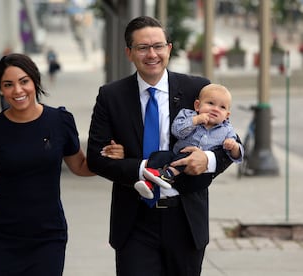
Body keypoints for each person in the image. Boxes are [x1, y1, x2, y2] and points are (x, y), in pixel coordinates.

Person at [0, 53, 124, 275]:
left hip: (48, 235)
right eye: (8, 85)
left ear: (35, 81)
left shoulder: (59, 121)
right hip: (2, 236)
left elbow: (79, 166)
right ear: (0, 89)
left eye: (24, 81)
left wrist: (108, 160)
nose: (18, 91)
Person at [87, 16, 238, 275]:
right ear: (129, 53)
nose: (152, 54)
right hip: (135, 220)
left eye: (158, 46)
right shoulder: (111, 96)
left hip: (185, 218)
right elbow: (95, 157)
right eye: (143, 47)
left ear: (169, 48)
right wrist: (142, 167)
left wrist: (208, 161)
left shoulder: (197, 89)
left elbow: (231, 141)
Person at [135, 83, 244, 199]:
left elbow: (236, 155)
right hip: (175, 155)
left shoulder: (227, 130)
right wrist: (195, 120)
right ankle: (150, 184)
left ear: (227, 115)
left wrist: (234, 147)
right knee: (158, 157)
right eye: (210, 103)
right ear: (197, 105)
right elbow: (176, 131)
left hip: (197, 171)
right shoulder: (187, 115)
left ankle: (169, 179)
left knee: (198, 178)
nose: (215, 109)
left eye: (222, 107)